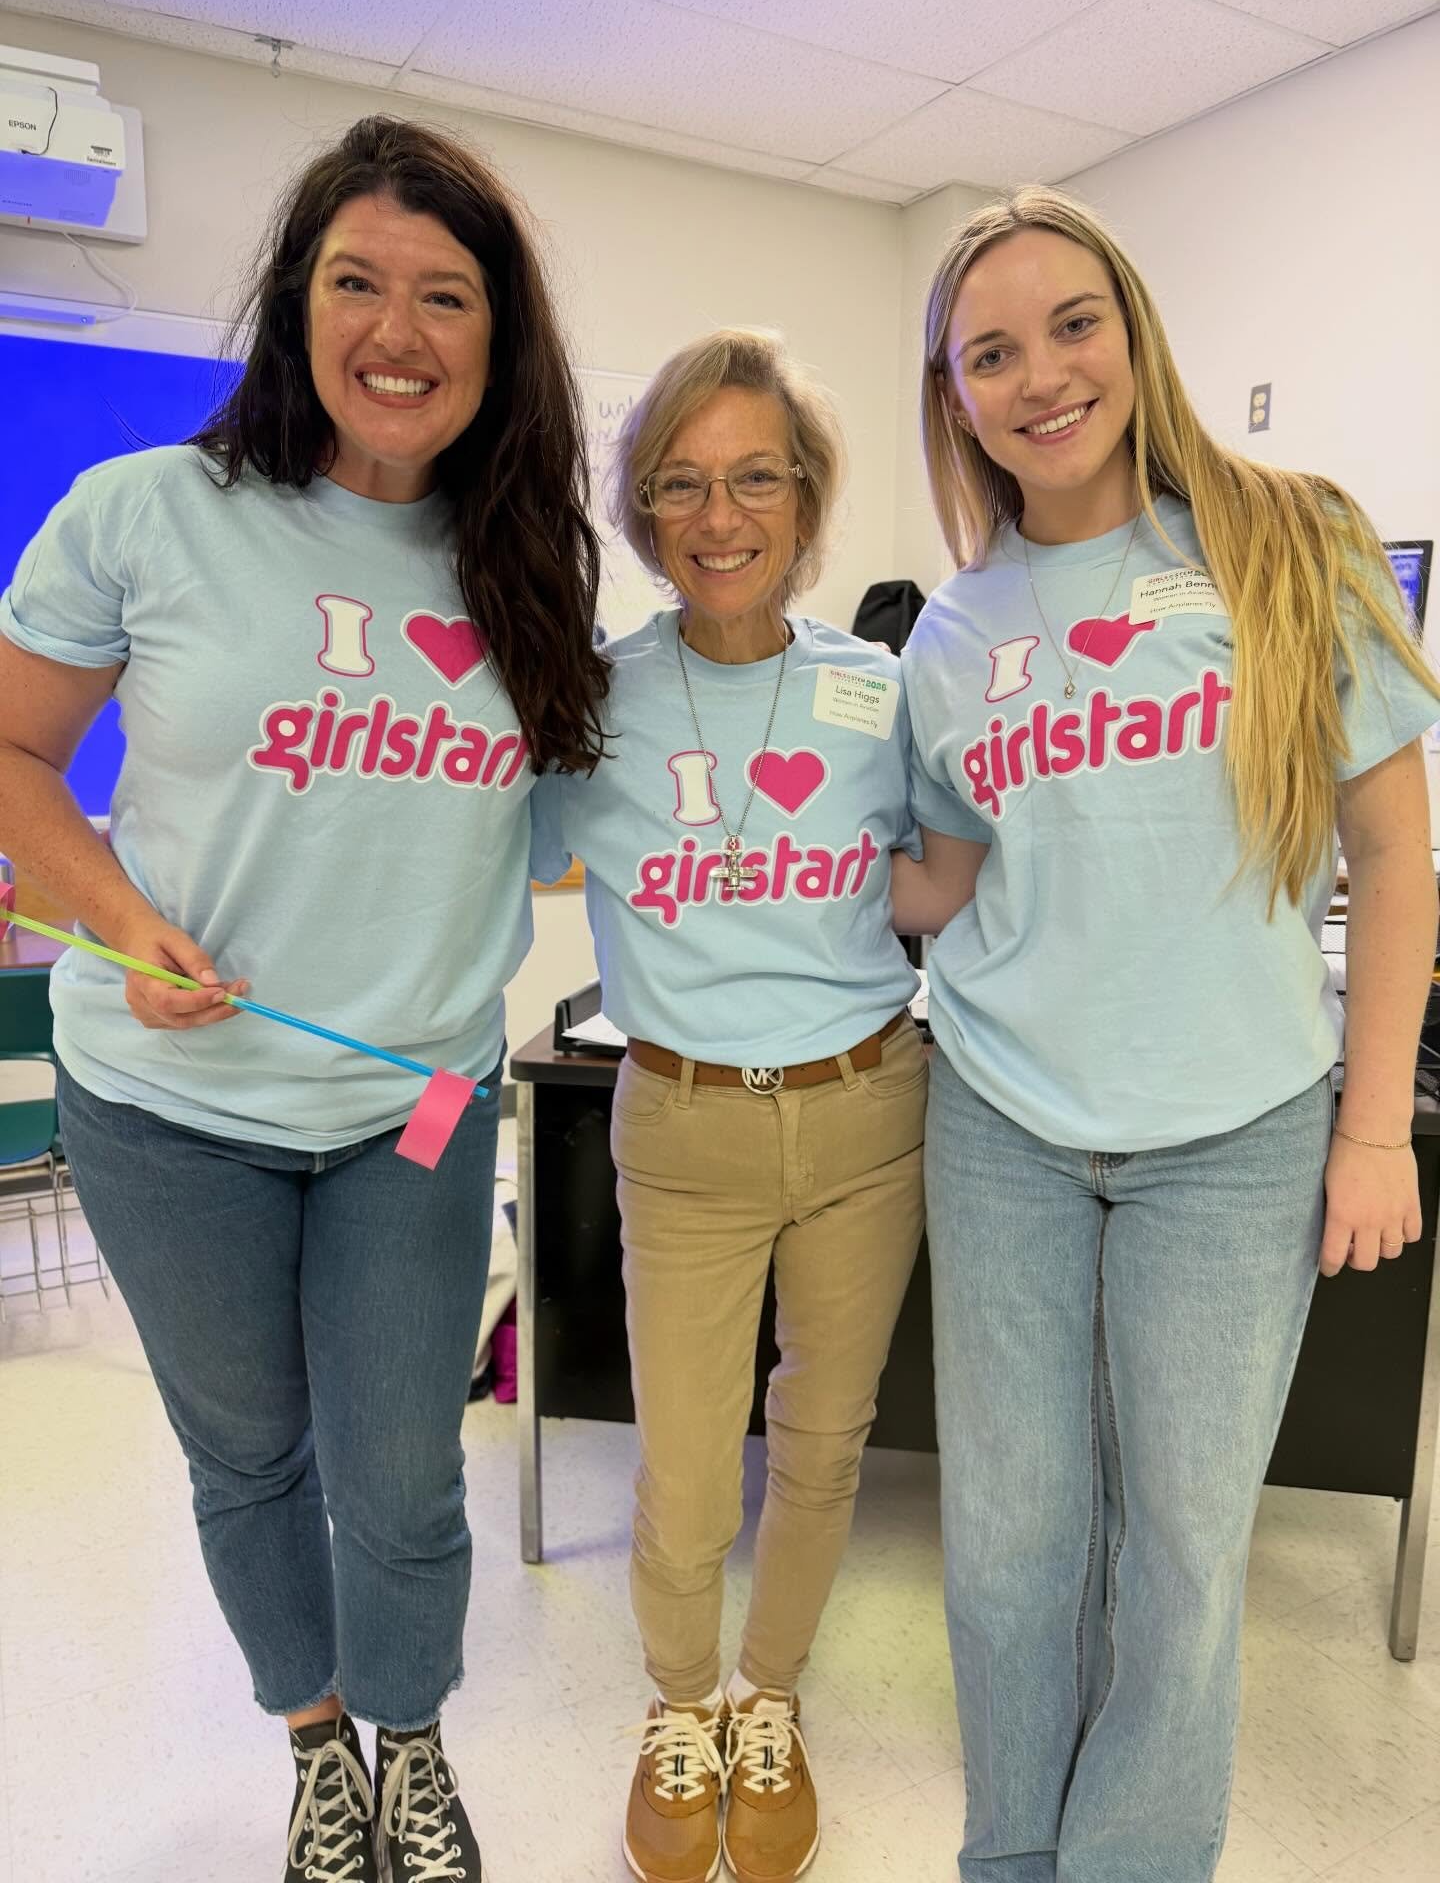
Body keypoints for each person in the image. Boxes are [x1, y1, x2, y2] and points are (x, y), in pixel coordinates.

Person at [0, 115, 608, 1883]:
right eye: (357, 282)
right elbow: (18, 758)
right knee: (251, 1456)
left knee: (406, 1473)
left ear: (498, 340)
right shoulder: (148, 513)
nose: (397, 330)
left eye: (445, 293)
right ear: (295, 298)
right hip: (167, 1114)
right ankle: (318, 1748)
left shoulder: (524, 575)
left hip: (412, 1110)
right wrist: (114, 917)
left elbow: (582, 825)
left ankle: (413, 1742)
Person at [889, 185, 1440, 1883]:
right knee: (1005, 1546)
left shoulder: (1289, 542)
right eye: (992, 352)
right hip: (1002, 1120)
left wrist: (1371, 1134)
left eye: (1072, 326)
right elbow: (943, 883)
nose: (1041, 375)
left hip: (1240, 1128)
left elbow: (1393, 852)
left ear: (1132, 332)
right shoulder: (957, 631)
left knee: (1185, 1550)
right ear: (956, 397)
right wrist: (729, 878)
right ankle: (1012, 1855)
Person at [532, 328, 927, 1883]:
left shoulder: (881, 693)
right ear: (644, 509)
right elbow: (471, 849)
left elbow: (955, 877)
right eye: (681, 482)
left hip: (865, 1111)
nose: (720, 514)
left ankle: (772, 1699)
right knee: (689, 1463)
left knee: (824, 1438)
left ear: (807, 496)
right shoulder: (599, 701)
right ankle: (682, 1707)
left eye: (755, 476)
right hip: (682, 1124)